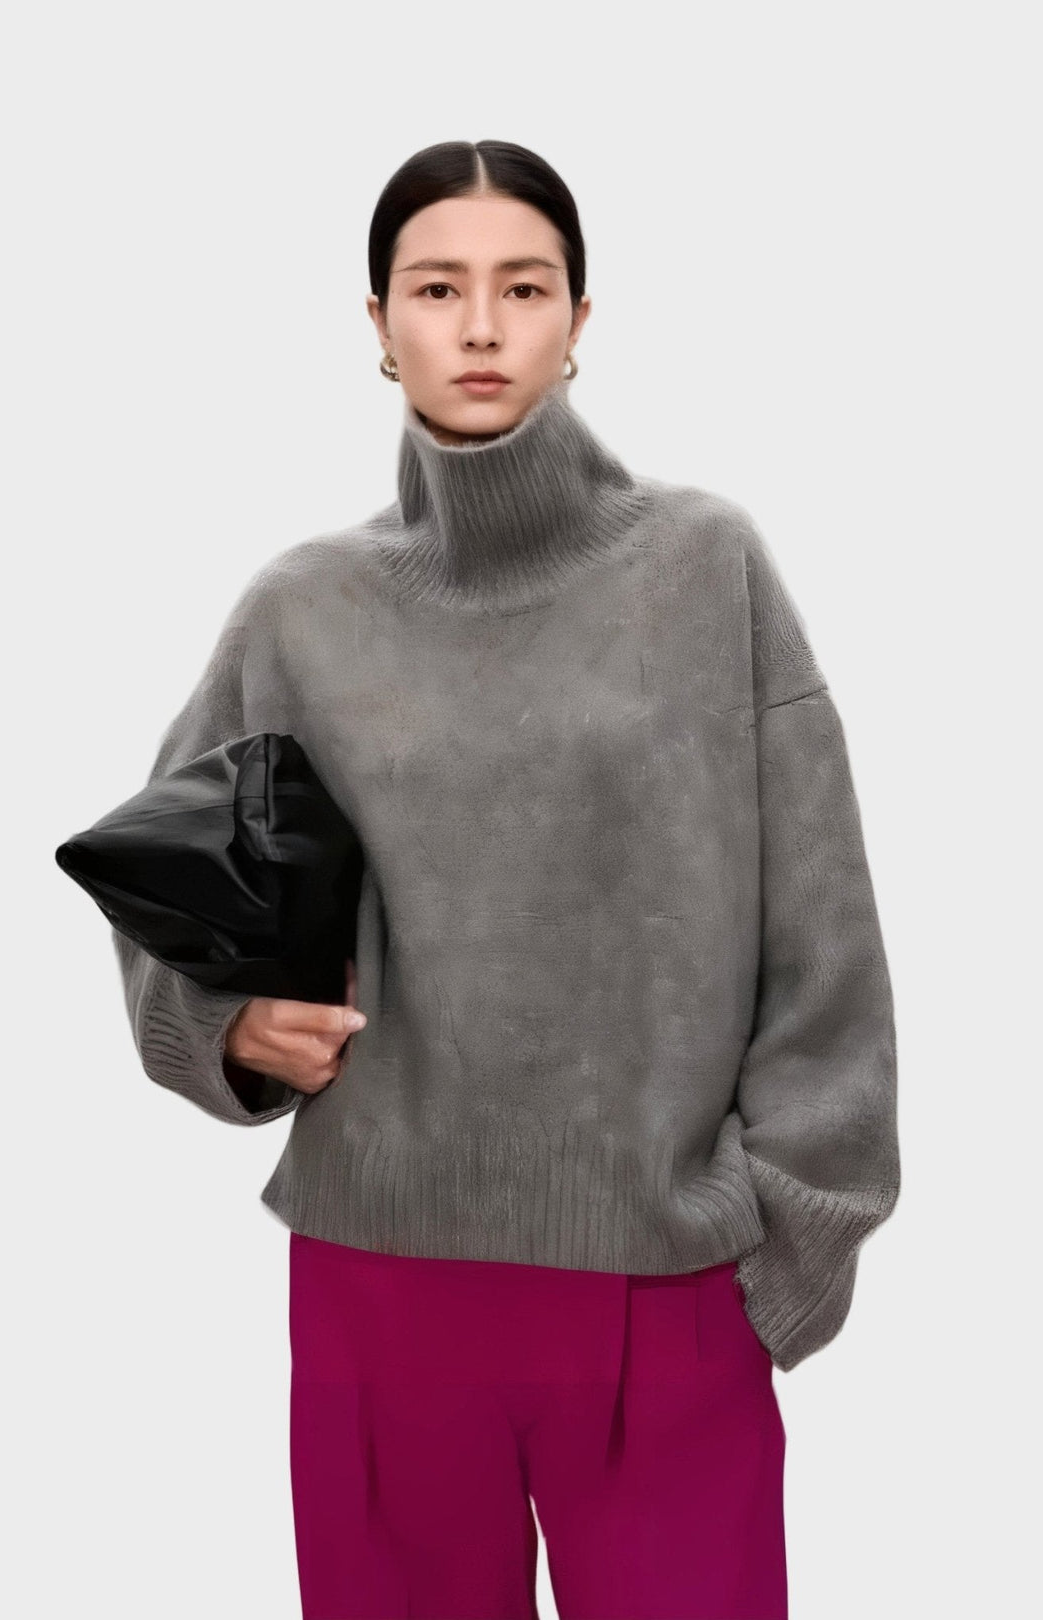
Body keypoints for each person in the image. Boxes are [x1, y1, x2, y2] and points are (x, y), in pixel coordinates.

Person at [113, 139, 900, 1620]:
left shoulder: (707, 568)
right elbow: (165, 885)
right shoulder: (303, 609)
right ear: (379, 323)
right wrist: (222, 1028)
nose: (480, 326)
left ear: (579, 318)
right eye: (437, 288)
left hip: (669, 1282)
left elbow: (824, 932)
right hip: (379, 1286)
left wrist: (797, 1237)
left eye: (523, 287)